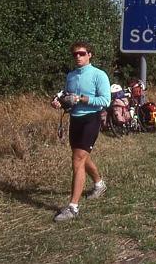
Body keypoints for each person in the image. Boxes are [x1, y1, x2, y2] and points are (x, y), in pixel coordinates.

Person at [50, 41, 111, 222]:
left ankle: (73, 207)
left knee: (77, 159)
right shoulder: (71, 75)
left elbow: (105, 100)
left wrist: (83, 99)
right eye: (75, 54)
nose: (78, 57)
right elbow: (66, 95)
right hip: (75, 119)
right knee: (83, 157)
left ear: (89, 54)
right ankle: (99, 184)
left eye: (82, 53)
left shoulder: (99, 75)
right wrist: (58, 102)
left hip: (91, 119)